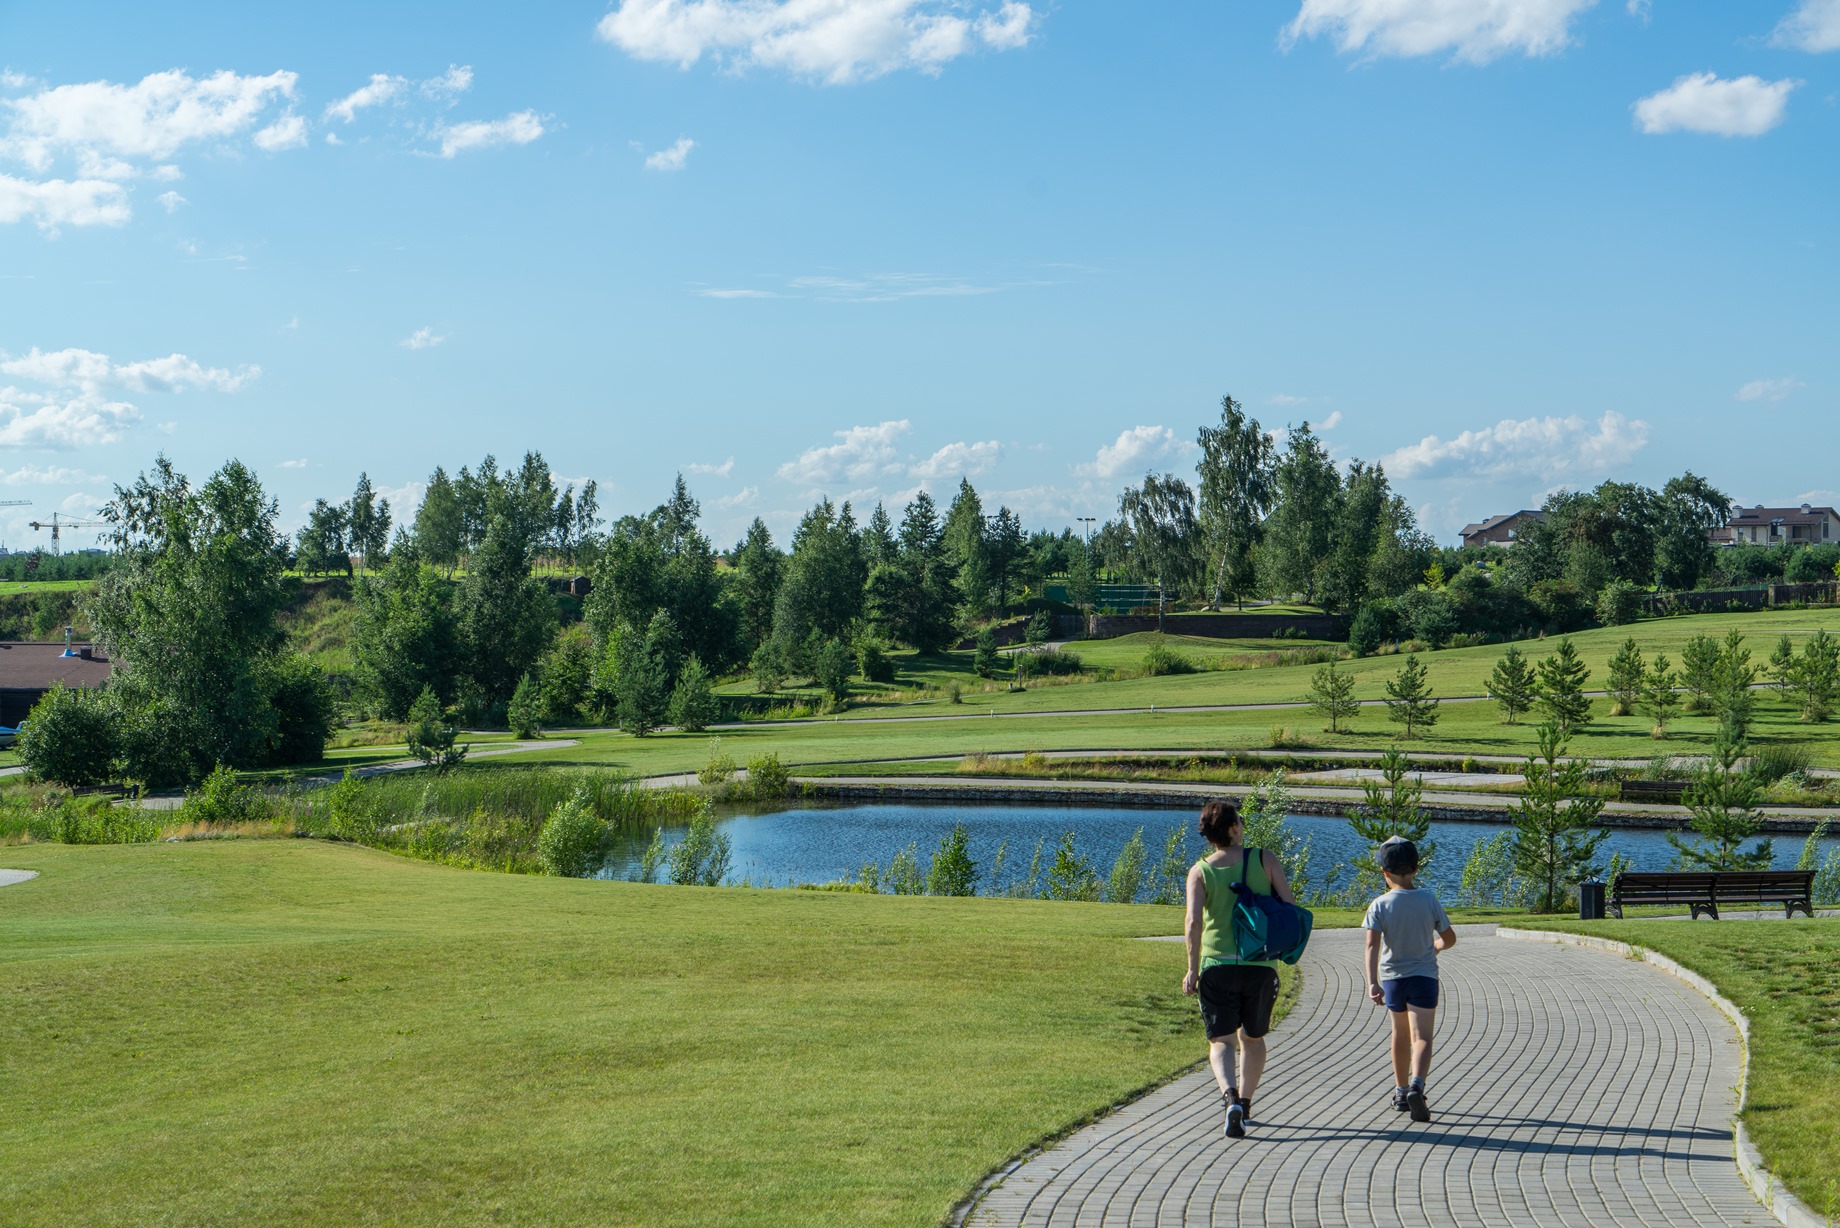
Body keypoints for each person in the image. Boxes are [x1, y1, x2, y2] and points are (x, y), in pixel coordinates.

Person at [1182, 799, 1296, 1139]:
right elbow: (1289, 907)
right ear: (1233, 828)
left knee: (1221, 1041)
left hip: (1216, 965)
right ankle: (1245, 1103)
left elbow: (1193, 923)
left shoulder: (1200, 870)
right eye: (1240, 822)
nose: (1243, 827)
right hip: (1260, 964)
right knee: (1253, 1038)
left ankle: (1229, 1098)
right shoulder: (1265, 858)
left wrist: (1191, 969)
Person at [1363, 835, 1456, 1124]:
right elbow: (1449, 938)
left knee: (1400, 1035)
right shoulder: (1428, 900)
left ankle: (1401, 1092)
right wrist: (1436, 947)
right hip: (1424, 976)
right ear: (1416, 869)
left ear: (1385, 873)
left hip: (1392, 979)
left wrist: (1372, 982)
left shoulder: (1379, 905)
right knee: (1423, 1037)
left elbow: (1371, 946)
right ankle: (1418, 1085)